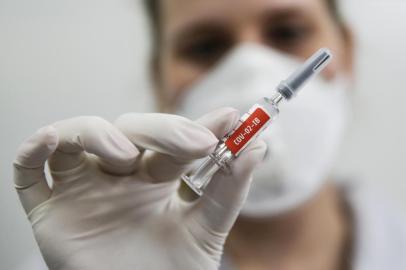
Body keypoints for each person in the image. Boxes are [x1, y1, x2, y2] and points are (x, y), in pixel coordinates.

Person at [14, 0, 406, 269]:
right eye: (204, 46)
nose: (252, 69)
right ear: (159, 78)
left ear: (347, 53)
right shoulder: (82, 254)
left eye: (287, 32)